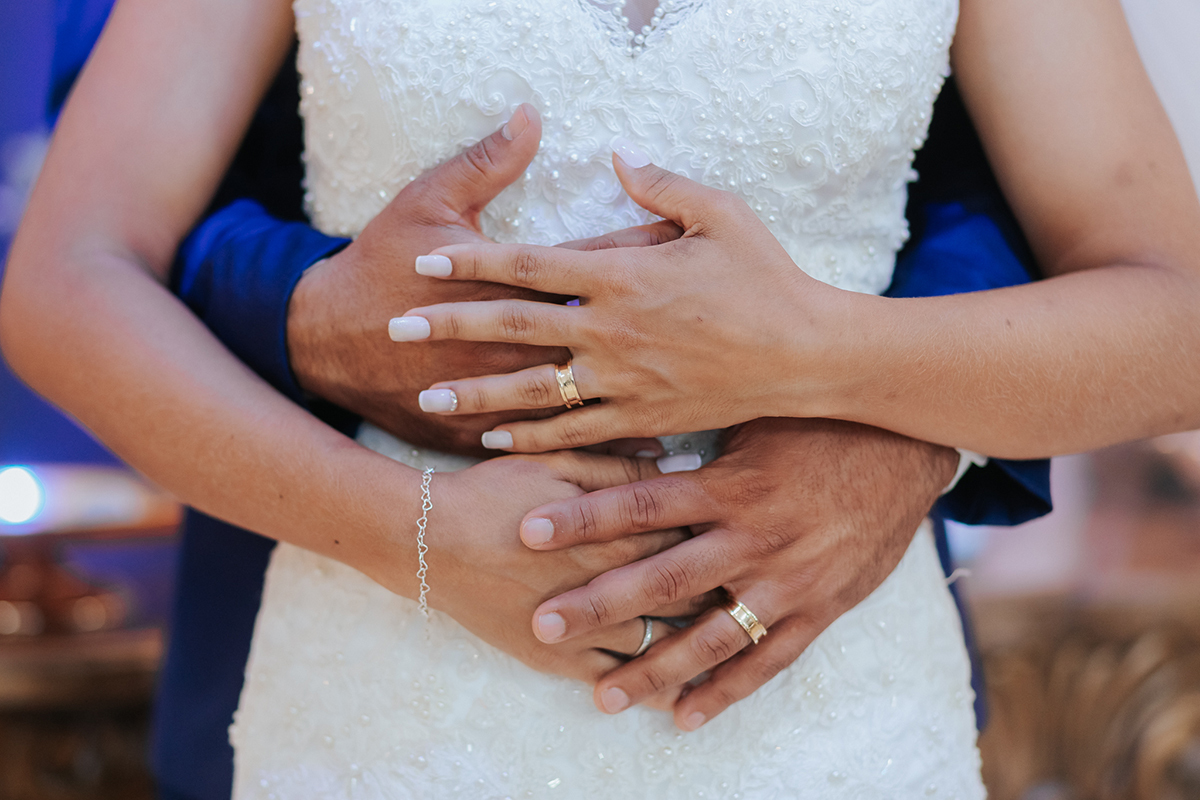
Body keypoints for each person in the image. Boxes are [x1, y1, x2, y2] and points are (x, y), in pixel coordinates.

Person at [6, 0, 1189, 794]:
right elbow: (67, 278)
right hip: (393, 687)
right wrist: (405, 530)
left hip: (822, 697)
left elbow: (1174, 319)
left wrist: (815, 352)